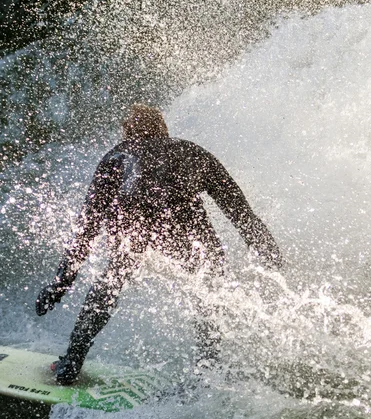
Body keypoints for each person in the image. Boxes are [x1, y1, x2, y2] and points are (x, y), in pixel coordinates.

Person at [36, 104, 282, 384]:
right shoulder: (194, 153)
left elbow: (88, 227)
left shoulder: (117, 156)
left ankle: (71, 362)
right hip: (183, 223)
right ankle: (207, 367)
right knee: (211, 274)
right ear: (163, 130)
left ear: (127, 132)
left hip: (135, 218)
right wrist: (271, 256)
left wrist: (60, 283)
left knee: (113, 278)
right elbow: (240, 213)